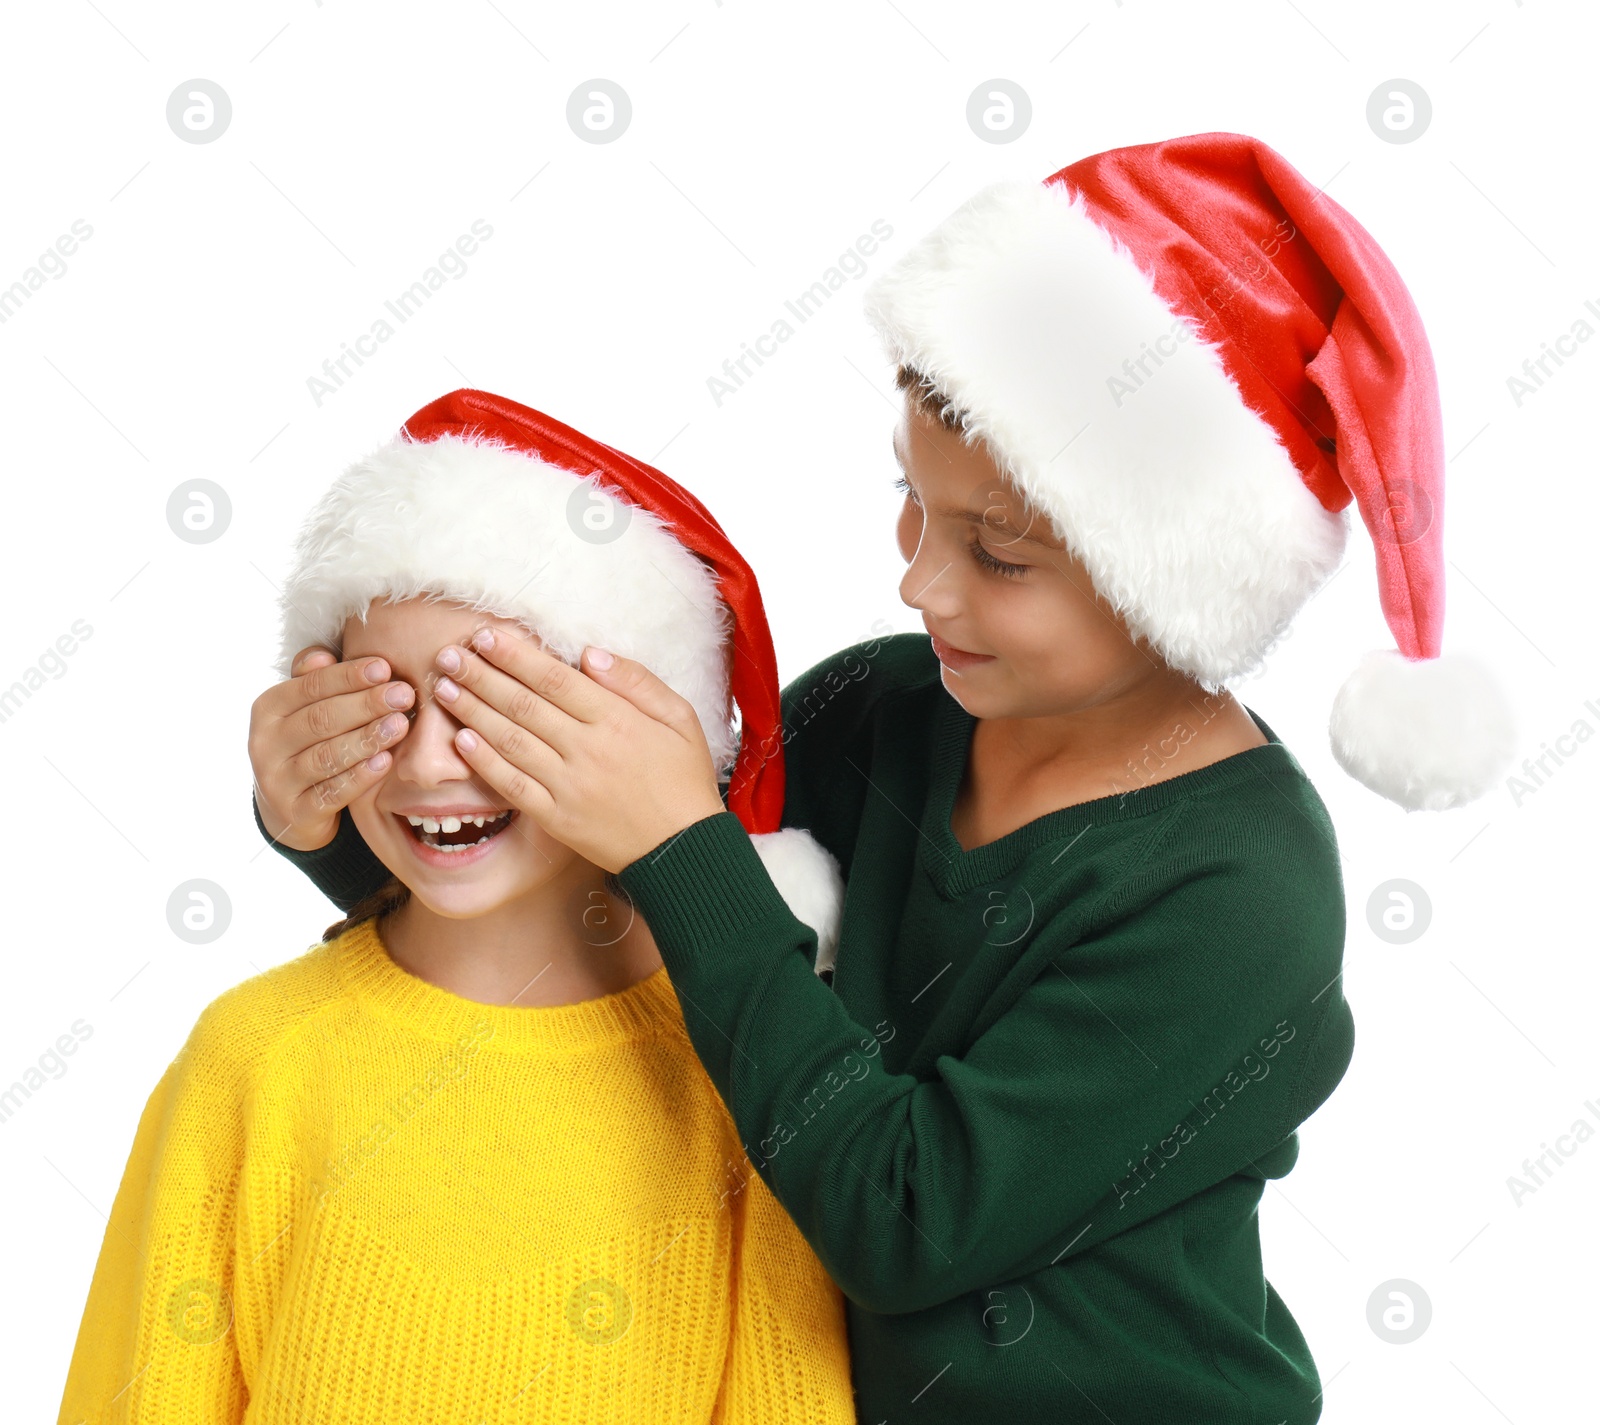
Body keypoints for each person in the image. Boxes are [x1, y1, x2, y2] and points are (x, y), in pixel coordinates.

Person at [246, 134, 1515, 1421]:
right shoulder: (886, 705)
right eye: (911, 499)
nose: (920, 580)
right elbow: (608, 938)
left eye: (997, 552)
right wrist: (334, 828)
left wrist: (685, 844)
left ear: (1168, 575)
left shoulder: (1240, 892)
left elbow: (905, 1222)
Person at [58, 391, 857, 1424]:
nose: (431, 764)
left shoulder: (749, 1075)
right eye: (381, 702)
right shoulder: (253, 1059)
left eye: (496, 706)